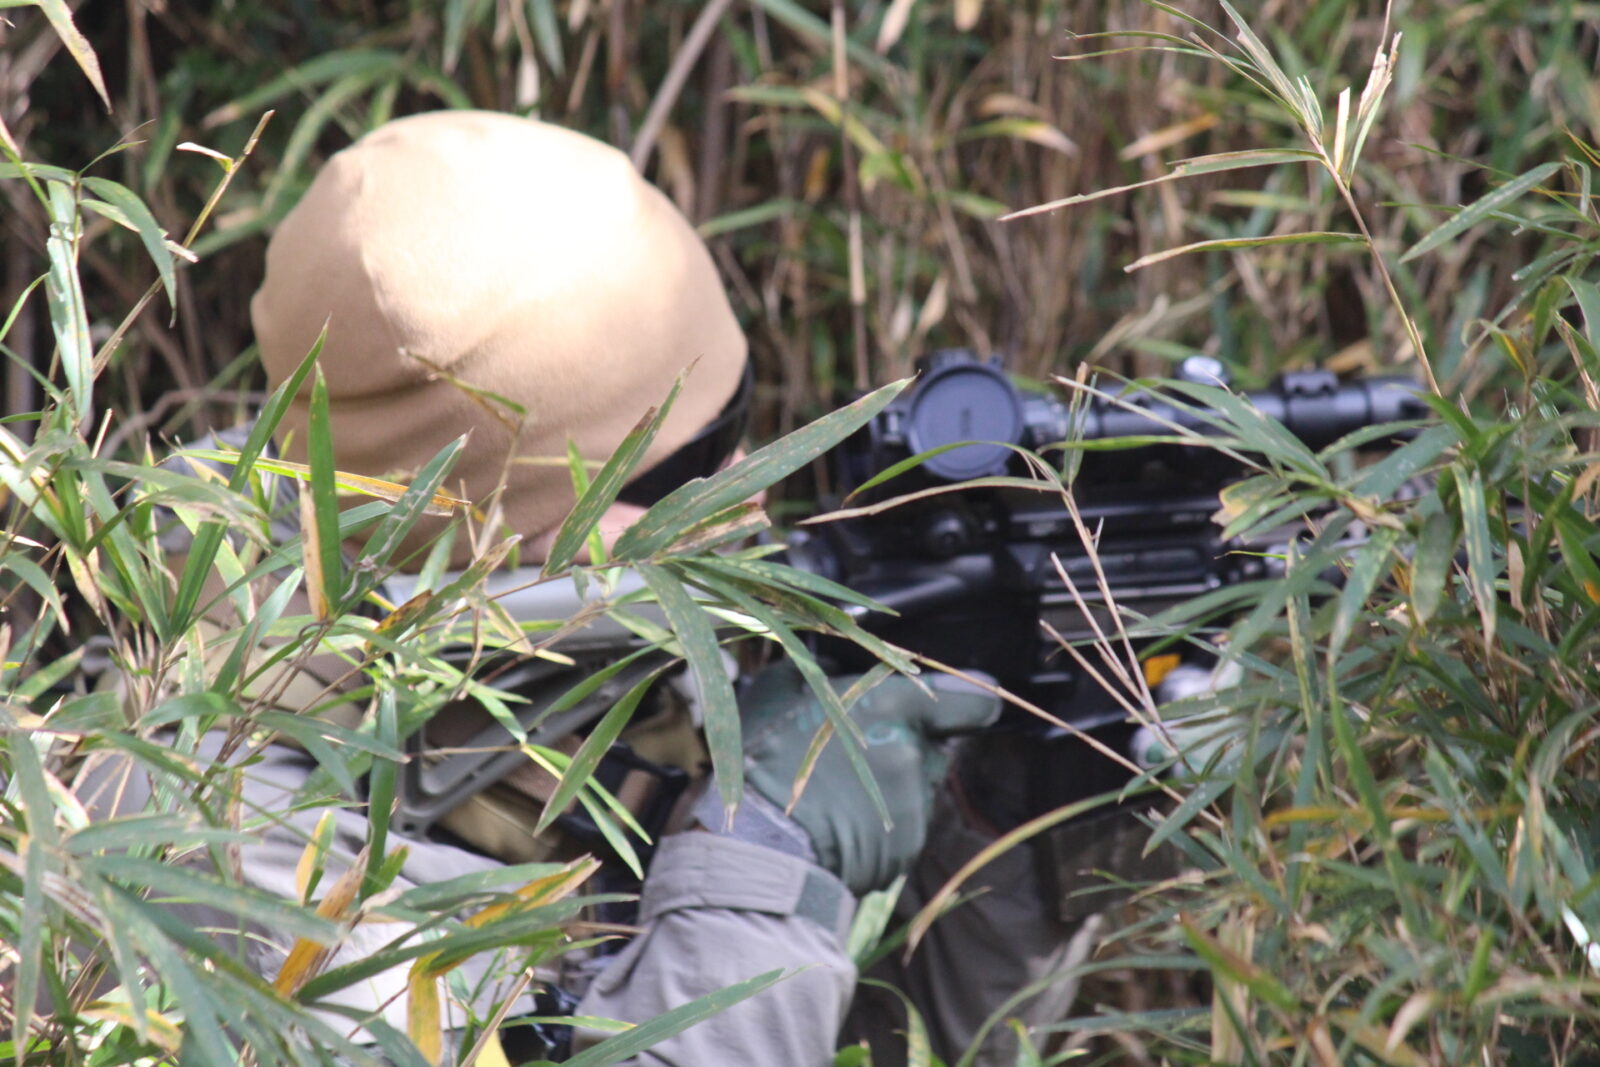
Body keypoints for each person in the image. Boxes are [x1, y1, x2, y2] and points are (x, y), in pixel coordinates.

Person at [94, 110, 1097, 1065]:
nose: (750, 495)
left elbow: (902, 1037)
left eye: (743, 421)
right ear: (518, 533)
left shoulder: (565, 648)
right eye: (699, 465)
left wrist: (1002, 822)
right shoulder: (228, 850)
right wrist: (760, 862)